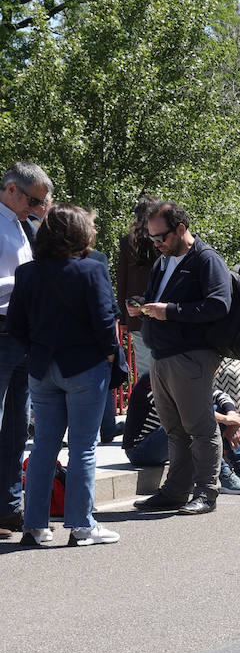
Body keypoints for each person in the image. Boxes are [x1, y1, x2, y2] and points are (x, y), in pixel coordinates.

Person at [8, 203, 119, 545]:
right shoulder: (91, 269)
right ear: (79, 233)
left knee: (42, 446)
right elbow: (105, 323)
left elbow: (15, 325)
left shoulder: (28, 272)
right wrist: (110, 354)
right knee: (84, 447)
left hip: (42, 367)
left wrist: (37, 349)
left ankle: (35, 526)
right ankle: (82, 526)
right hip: (85, 366)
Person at [127, 200, 231, 516]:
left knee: (200, 426)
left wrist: (169, 311)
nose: (156, 244)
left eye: (161, 237)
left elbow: (218, 305)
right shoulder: (162, 262)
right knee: (174, 429)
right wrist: (143, 304)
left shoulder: (206, 259)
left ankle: (206, 492)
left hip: (191, 356)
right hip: (162, 355)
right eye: (152, 238)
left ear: (181, 229)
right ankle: (175, 491)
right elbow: (162, 300)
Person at [0, 161, 51, 536]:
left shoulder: (26, 225)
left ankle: (8, 507)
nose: (37, 208)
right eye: (34, 200)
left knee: (17, 426)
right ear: (11, 189)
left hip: (21, 335)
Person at [115, 195, 159, 375]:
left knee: (144, 368)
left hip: (136, 311)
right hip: (163, 309)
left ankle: (149, 401)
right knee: (165, 365)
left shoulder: (128, 242)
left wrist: (124, 318)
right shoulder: (163, 240)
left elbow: (122, 280)